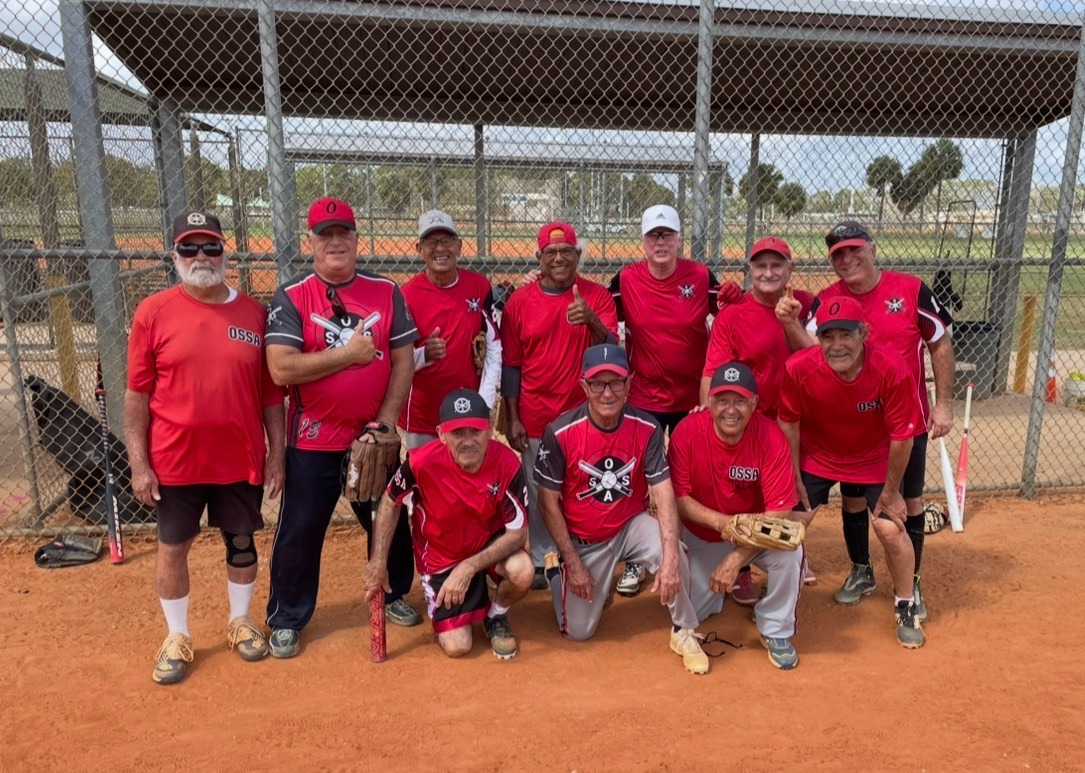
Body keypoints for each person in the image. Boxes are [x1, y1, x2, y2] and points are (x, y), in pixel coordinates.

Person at [125, 210, 285, 685]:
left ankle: (239, 621)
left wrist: (276, 454)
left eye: (211, 246)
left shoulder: (254, 313)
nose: (201, 256)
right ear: (173, 254)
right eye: (190, 247)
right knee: (174, 547)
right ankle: (177, 635)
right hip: (175, 460)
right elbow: (137, 395)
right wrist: (139, 463)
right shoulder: (153, 312)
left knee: (241, 542)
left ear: (224, 252)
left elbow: (271, 394)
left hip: (238, 457)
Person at [263, 196, 420, 659]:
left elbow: (403, 359)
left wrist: (387, 421)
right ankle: (288, 615)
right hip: (313, 439)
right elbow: (281, 369)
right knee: (301, 528)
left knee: (389, 521)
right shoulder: (292, 295)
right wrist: (347, 355)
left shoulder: (386, 292)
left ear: (356, 239)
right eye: (325, 235)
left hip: (372, 435)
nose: (335, 242)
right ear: (310, 242)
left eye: (343, 234)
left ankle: (392, 593)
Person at [797, 222, 955, 619]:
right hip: (851, 423)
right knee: (852, 500)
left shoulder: (911, 289)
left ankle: (911, 581)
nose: (847, 259)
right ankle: (862, 569)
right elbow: (809, 352)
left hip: (906, 420)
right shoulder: (827, 299)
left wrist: (944, 404)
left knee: (906, 502)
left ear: (872, 248)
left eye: (853, 250)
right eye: (837, 254)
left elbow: (940, 343)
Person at [534, 344, 710, 675]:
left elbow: (663, 492)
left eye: (615, 382)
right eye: (597, 383)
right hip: (585, 539)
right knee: (579, 633)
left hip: (630, 526)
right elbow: (547, 501)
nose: (607, 392)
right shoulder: (559, 432)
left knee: (674, 553)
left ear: (629, 384)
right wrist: (571, 559)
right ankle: (558, 574)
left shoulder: (646, 427)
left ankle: (684, 630)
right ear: (583, 386)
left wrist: (670, 556)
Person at [607, 204, 742, 598]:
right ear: (644, 242)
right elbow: (599, 307)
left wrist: (737, 299)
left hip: (691, 399)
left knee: (695, 475)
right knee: (638, 479)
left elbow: (735, 314)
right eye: (654, 236)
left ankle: (702, 550)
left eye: (667, 235)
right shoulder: (626, 279)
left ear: (680, 239)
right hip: (645, 396)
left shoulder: (699, 276)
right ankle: (637, 556)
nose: (661, 242)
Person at [777, 297, 926, 648]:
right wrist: (794, 477)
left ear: (865, 334)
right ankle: (779, 604)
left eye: (846, 334)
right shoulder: (800, 367)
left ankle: (906, 603)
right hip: (818, 456)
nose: (836, 345)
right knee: (790, 526)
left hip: (873, 458)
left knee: (889, 528)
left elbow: (902, 438)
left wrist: (891, 493)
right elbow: (788, 423)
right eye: (828, 336)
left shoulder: (891, 368)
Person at [364, 389, 532, 659]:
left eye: (475, 431)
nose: (468, 442)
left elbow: (518, 532)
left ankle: (496, 615)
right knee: (458, 647)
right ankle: (463, 602)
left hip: (488, 545)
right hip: (442, 555)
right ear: (442, 434)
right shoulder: (421, 463)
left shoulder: (507, 464)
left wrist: (469, 567)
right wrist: (379, 561)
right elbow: (389, 502)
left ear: (489, 429)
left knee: (522, 570)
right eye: (457, 433)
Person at [501, 222, 618, 589]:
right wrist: (512, 417)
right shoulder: (520, 302)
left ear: (578, 255)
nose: (558, 258)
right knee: (540, 491)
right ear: (539, 258)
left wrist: (592, 322)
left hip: (584, 417)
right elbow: (511, 366)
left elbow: (613, 349)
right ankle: (540, 561)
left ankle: (582, 554)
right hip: (536, 415)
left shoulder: (596, 297)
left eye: (566, 251)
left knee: (580, 487)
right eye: (550, 253)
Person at [700, 235, 814, 601]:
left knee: (800, 498)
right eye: (760, 266)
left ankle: (791, 550)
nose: (768, 272)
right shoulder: (733, 316)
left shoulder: (807, 305)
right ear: (750, 270)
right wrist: (707, 414)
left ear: (789, 270)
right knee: (746, 498)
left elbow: (822, 360)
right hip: (752, 423)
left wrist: (791, 322)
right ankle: (745, 569)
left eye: (776, 265)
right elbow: (712, 372)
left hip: (797, 421)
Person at [670, 362, 804, 669]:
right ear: (709, 402)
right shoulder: (687, 432)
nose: (731, 410)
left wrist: (736, 558)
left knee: (790, 551)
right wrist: (724, 524)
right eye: (722, 400)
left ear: (754, 404)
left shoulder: (770, 437)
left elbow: (780, 513)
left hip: (757, 533)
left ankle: (775, 628)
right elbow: (679, 499)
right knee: (698, 612)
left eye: (740, 401)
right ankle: (729, 580)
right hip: (706, 534)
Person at [399, 210, 501, 451]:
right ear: (419, 249)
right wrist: (424, 354)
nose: (440, 249)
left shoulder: (478, 286)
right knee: (424, 480)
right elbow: (395, 363)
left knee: (467, 483)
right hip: (423, 415)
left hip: (469, 412)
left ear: (459, 246)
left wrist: (484, 403)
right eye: (431, 242)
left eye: (446, 241)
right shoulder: (406, 296)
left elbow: (495, 347)